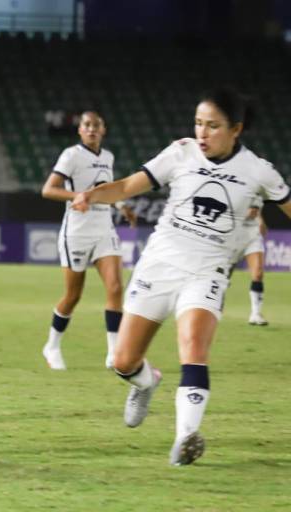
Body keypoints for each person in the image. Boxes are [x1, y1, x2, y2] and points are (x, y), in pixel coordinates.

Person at [71, 88, 291, 465]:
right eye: (199, 124)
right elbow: (126, 186)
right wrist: (91, 195)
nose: (203, 133)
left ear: (236, 129)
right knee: (122, 361)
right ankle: (146, 381)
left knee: (193, 349)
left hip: (208, 272)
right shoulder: (180, 152)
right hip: (159, 266)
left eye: (213, 126)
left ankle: (186, 438)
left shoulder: (258, 171)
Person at [41, 111, 137, 371]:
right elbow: (48, 189)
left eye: (97, 125)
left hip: (104, 229)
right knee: (73, 296)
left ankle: (114, 353)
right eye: (87, 125)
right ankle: (52, 346)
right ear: (80, 130)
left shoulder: (108, 157)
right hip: (77, 232)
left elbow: (105, 189)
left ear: (103, 130)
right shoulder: (71, 155)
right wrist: (78, 196)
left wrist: (121, 205)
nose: (92, 129)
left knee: (116, 287)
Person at [230, 198, 269, 325]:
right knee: (223, 277)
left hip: (253, 235)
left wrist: (261, 221)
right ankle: (212, 307)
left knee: (258, 273)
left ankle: (256, 314)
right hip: (233, 234)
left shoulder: (259, 190)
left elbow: (257, 212)